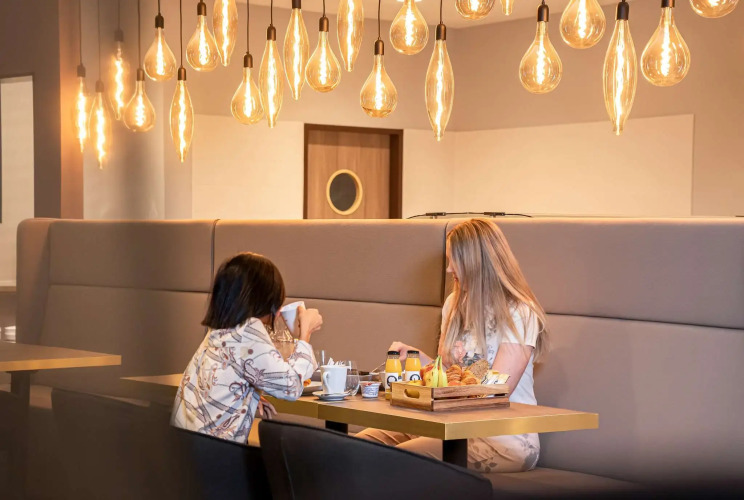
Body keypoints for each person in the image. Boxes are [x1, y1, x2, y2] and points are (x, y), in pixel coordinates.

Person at [358, 218, 548, 473]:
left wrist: (453, 372)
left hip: (502, 439)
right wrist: (419, 359)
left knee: (394, 463)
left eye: (454, 260)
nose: (448, 269)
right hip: (447, 426)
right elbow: (449, 377)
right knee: (355, 449)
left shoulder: (520, 312)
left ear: (477, 262)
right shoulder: (454, 303)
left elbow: (495, 392)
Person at [171, 252, 323, 443]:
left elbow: (220, 379)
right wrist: (305, 332)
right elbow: (291, 387)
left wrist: (247, 395)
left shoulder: (221, 328)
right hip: (215, 453)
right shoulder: (248, 333)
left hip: (185, 447)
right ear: (266, 298)